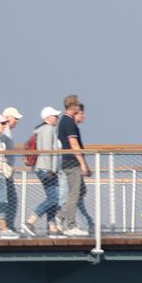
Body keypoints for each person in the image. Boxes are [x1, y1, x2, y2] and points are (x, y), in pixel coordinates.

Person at [56, 96, 92, 236]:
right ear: (73, 106)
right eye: (78, 105)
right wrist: (83, 164)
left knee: (81, 191)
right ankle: (70, 224)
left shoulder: (67, 121)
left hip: (70, 162)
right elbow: (74, 144)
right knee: (75, 192)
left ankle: (61, 215)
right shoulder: (68, 122)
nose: (80, 107)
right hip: (72, 162)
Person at [31, 107, 61, 234]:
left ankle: (51, 225)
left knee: (52, 198)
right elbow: (49, 150)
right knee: (54, 198)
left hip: (44, 168)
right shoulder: (49, 129)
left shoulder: (42, 129)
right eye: (55, 116)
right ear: (48, 118)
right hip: (46, 169)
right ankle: (31, 220)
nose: (57, 118)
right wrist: (51, 169)